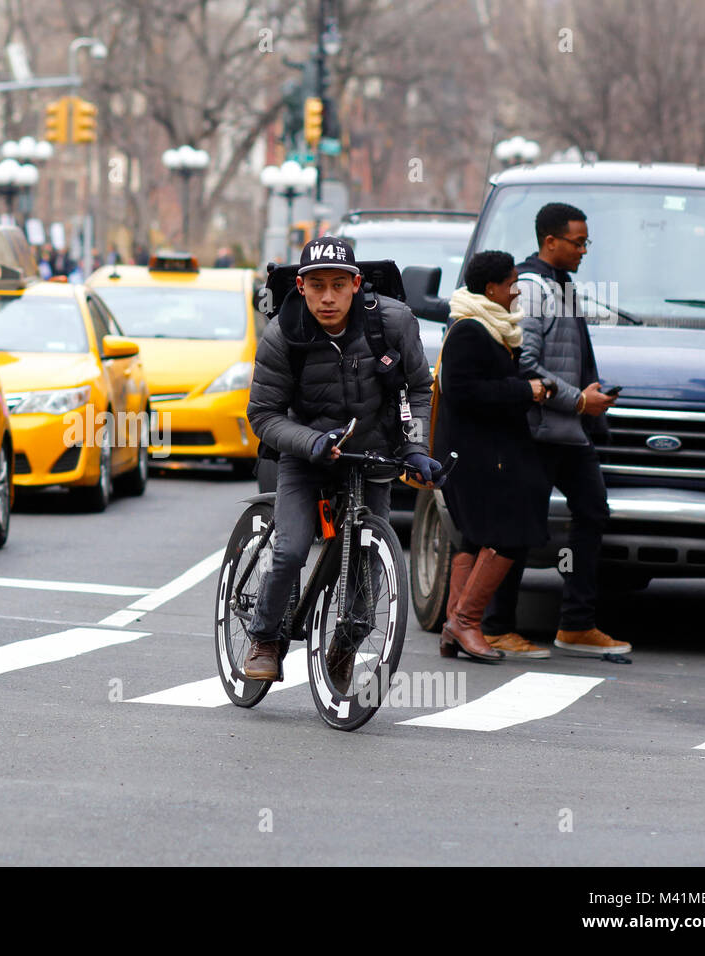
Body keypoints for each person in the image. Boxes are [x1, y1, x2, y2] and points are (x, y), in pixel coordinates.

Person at [243, 236, 441, 683]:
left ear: (356, 284)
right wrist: (311, 442)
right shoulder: (282, 335)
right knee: (291, 550)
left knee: (366, 561)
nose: (327, 297)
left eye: (338, 284)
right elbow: (263, 415)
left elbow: (418, 391)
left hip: (371, 451)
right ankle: (265, 637)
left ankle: (347, 643)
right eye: (316, 286)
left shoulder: (394, 323)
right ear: (300, 285)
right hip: (305, 451)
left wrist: (415, 449)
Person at [483, 203, 630, 657]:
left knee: (592, 511)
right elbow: (526, 363)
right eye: (578, 242)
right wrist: (580, 399)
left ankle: (576, 625)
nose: (584, 250)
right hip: (537, 428)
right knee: (522, 525)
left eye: (586, 242)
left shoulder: (561, 286)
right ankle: (495, 626)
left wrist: (585, 402)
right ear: (551, 241)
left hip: (567, 430)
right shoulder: (530, 289)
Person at [436, 251, 554, 661]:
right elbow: (463, 390)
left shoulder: (492, 326)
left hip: (493, 450)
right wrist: (527, 391)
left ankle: (455, 624)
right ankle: (467, 622)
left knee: (478, 534)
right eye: (511, 283)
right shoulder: (470, 329)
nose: (516, 290)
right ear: (491, 289)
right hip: (477, 454)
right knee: (509, 531)